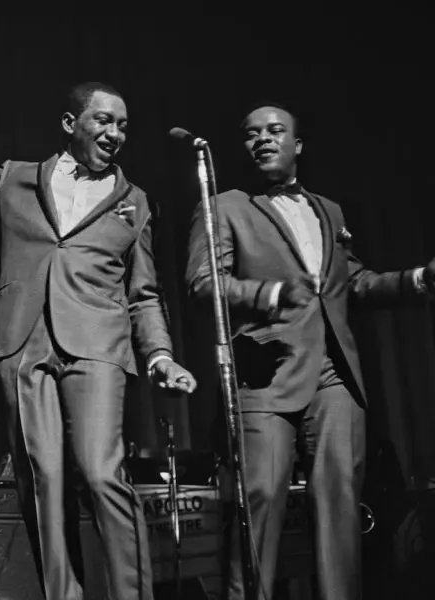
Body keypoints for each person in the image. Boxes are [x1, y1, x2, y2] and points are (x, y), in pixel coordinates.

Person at [0, 75, 197, 600]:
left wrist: (161, 354)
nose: (115, 132)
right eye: (103, 119)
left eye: (123, 124)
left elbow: (144, 294)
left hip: (98, 344)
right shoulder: (16, 179)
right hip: (24, 342)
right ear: (70, 124)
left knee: (101, 473)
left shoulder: (135, 203)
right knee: (42, 478)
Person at [184, 102, 435, 600]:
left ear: (297, 144)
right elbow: (202, 282)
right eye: (252, 134)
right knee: (259, 503)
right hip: (265, 374)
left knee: (340, 506)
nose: (263, 139)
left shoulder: (329, 210)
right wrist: (270, 294)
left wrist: (417, 280)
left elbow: (352, 285)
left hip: (334, 373)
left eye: (275, 130)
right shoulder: (225, 205)